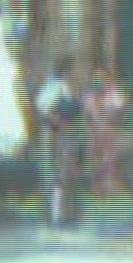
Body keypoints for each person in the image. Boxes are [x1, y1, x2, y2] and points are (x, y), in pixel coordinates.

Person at [34, 56, 82, 226]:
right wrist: (57, 121)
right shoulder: (51, 86)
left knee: (65, 175)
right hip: (52, 132)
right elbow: (43, 110)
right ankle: (54, 215)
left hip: (64, 131)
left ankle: (64, 213)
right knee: (53, 175)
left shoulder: (64, 86)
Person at [82, 63, 128, 198]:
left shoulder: (115, 93)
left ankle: (110, 186)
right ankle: (96, 187)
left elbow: (120, 112)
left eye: (101, 77)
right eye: (96, 77)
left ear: (107, 78)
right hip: (94, 132)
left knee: (109, 159)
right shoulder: (90, 95)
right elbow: (87, 114)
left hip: (110, 130)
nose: (98, 80)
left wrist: (110, 116)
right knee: (94, 160)